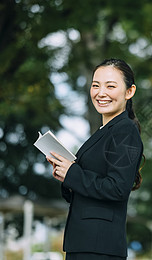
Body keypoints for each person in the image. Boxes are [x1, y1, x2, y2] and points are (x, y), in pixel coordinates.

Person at [46, 58, 144, 260]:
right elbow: (89, 191)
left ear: (129, 91)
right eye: (96, 85)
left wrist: (73, 173)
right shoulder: (105, 132)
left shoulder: (125, 131)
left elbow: (118, 188)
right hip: (86, 243)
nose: (101, 93)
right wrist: (66, 175)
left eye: (111, 86)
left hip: (100, 248)